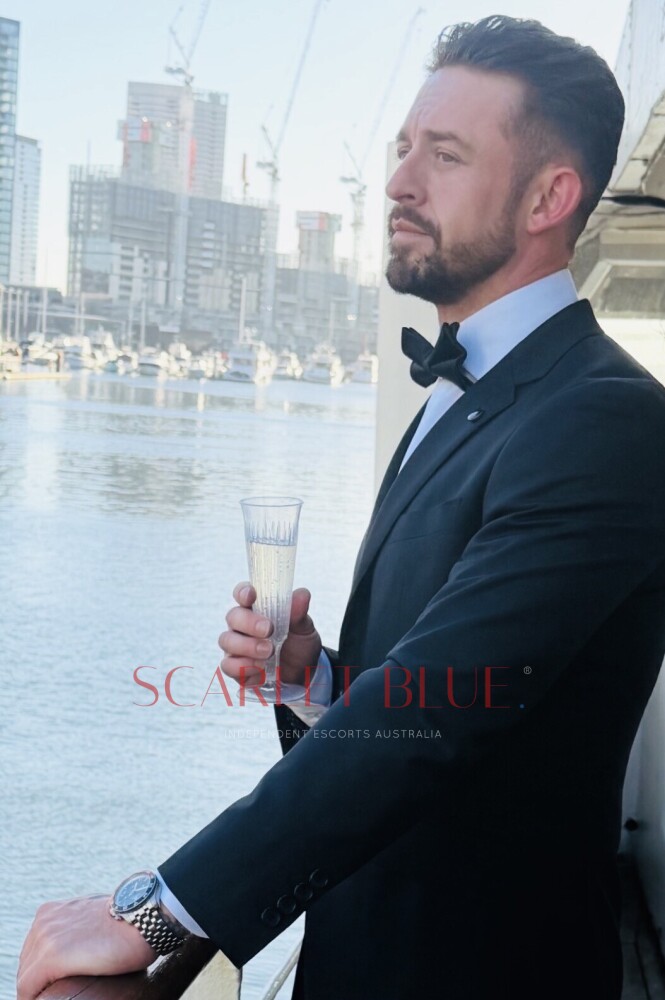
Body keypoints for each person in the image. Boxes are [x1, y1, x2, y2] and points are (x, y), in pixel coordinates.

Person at [18, 15, 665, 1000]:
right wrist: (313, 677)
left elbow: (433, 715)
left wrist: (153, 912)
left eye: (443, 155)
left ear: (548, 197)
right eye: (402, 147)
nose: (398, 182)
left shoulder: (607, 419)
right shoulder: (461, 395)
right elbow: (438, 686)